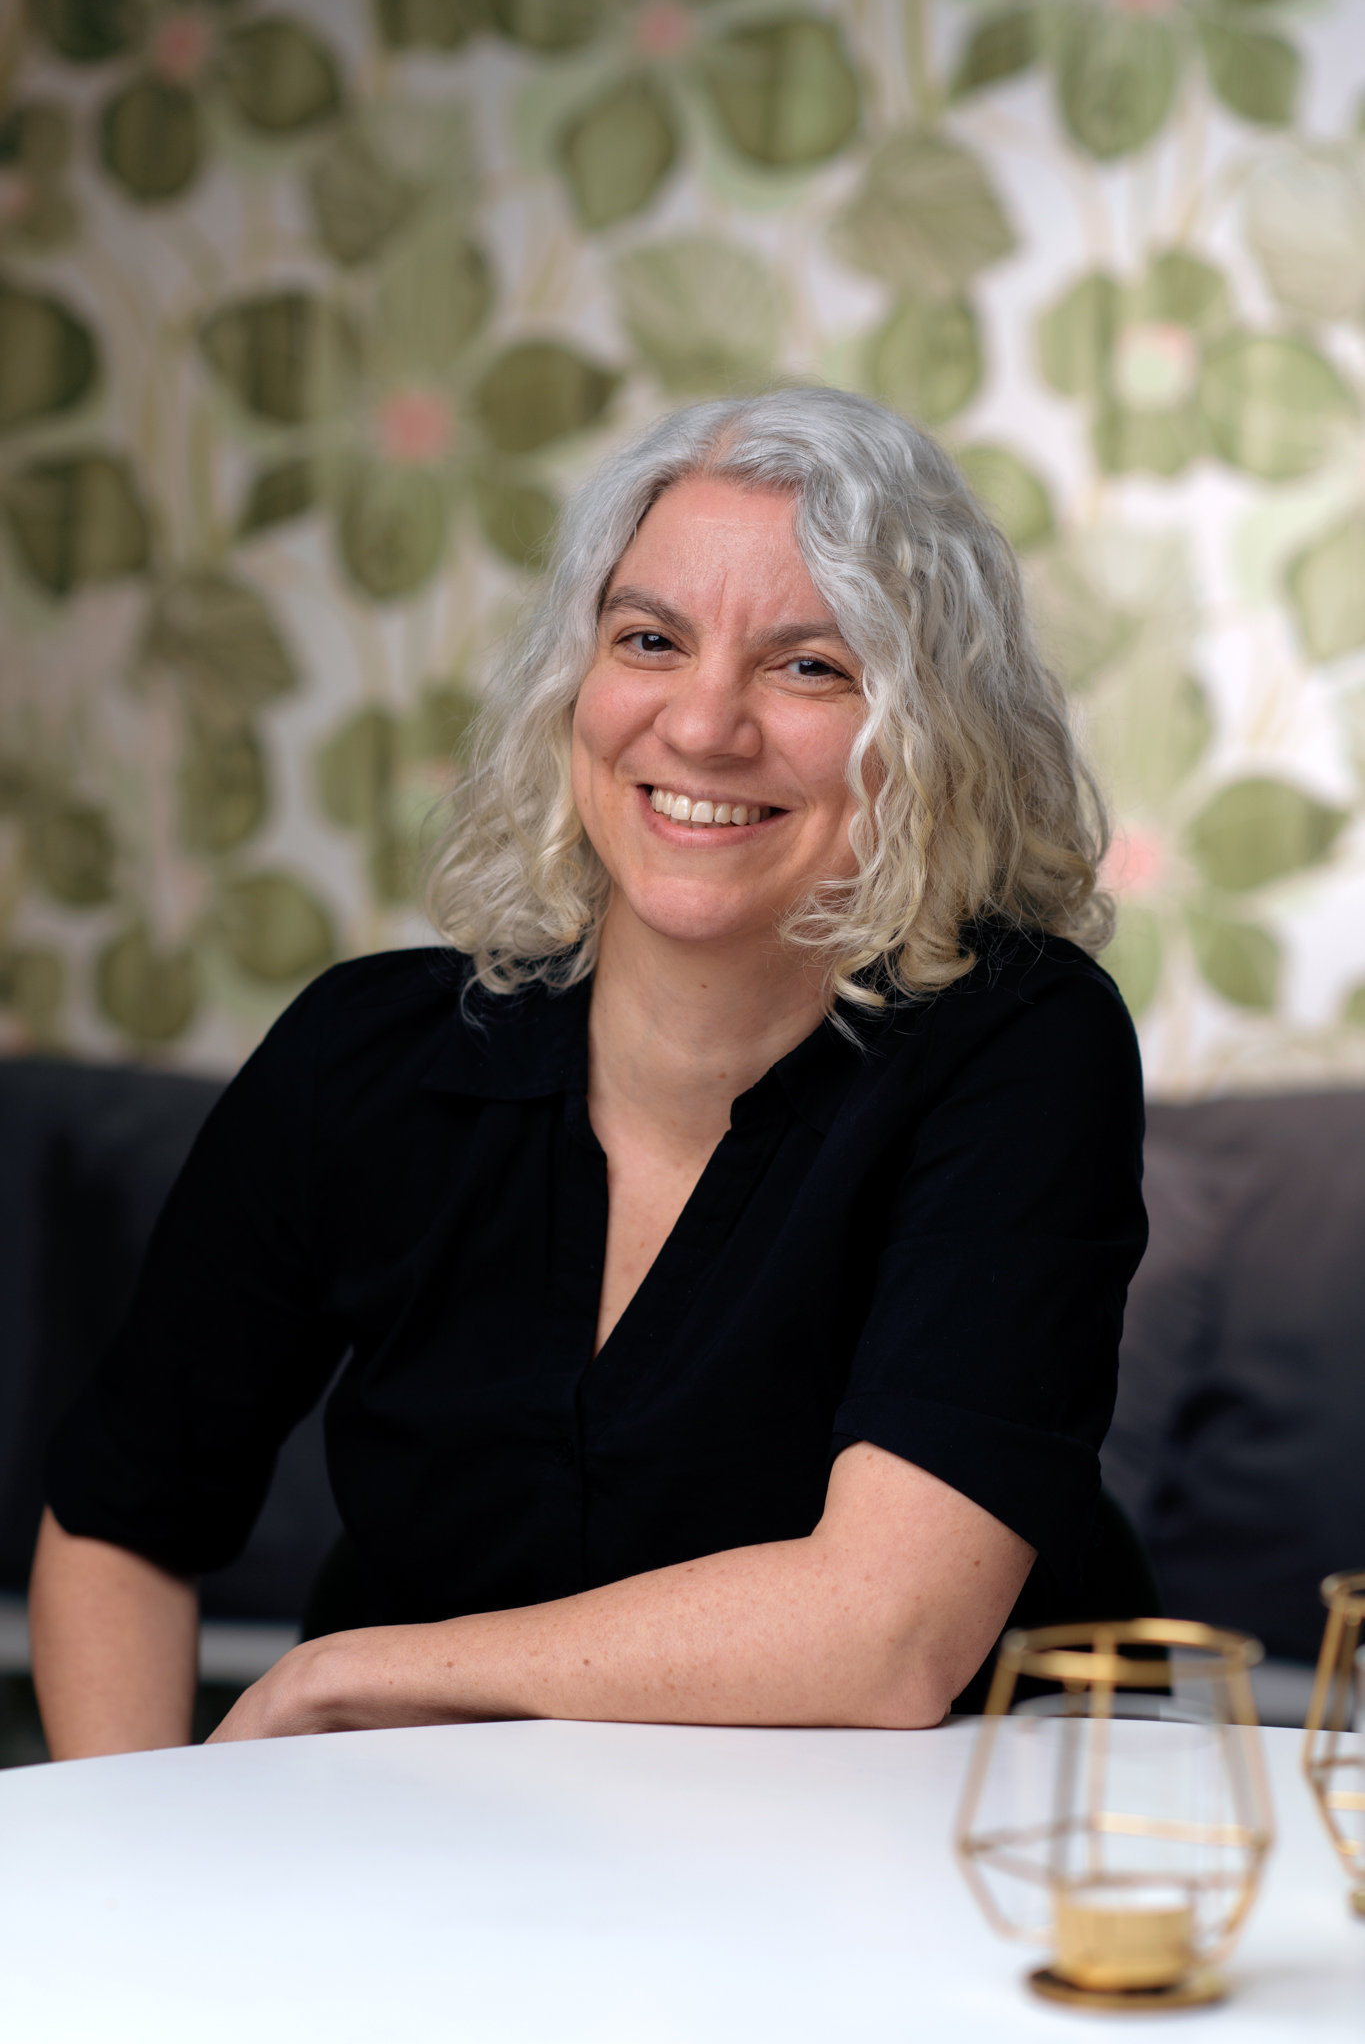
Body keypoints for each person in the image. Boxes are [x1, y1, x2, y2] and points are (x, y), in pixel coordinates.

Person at [31, 388, 1146, 1758]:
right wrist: (138, 1852)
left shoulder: (1022, 1044)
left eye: (810, 667)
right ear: (574, 685)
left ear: (930, 739)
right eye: (649, 640)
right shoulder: (359, 1059)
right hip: (423, 1833)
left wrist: (354, 1678)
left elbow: (888, 1629)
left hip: (909, 1847)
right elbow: (120, 1518)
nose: (704, 725)